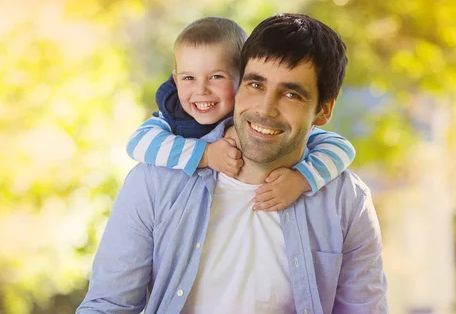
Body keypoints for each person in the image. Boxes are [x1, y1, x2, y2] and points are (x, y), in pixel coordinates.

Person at [61, 14, 397, 314]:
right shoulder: (155, 181)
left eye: (291, 94)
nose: (266, 108)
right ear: (237, 86)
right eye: (255, 84)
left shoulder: (345, 201)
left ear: (323, 111)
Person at [126, 17, 355, 211]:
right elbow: (137, 143)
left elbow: (341, 148)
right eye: (188, 78)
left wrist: (303, 179)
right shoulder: (175, 117)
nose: (201, 90)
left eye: (216, 77)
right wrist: (205, 154)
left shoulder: (265, 123)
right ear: (176, 81)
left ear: (241, 79)